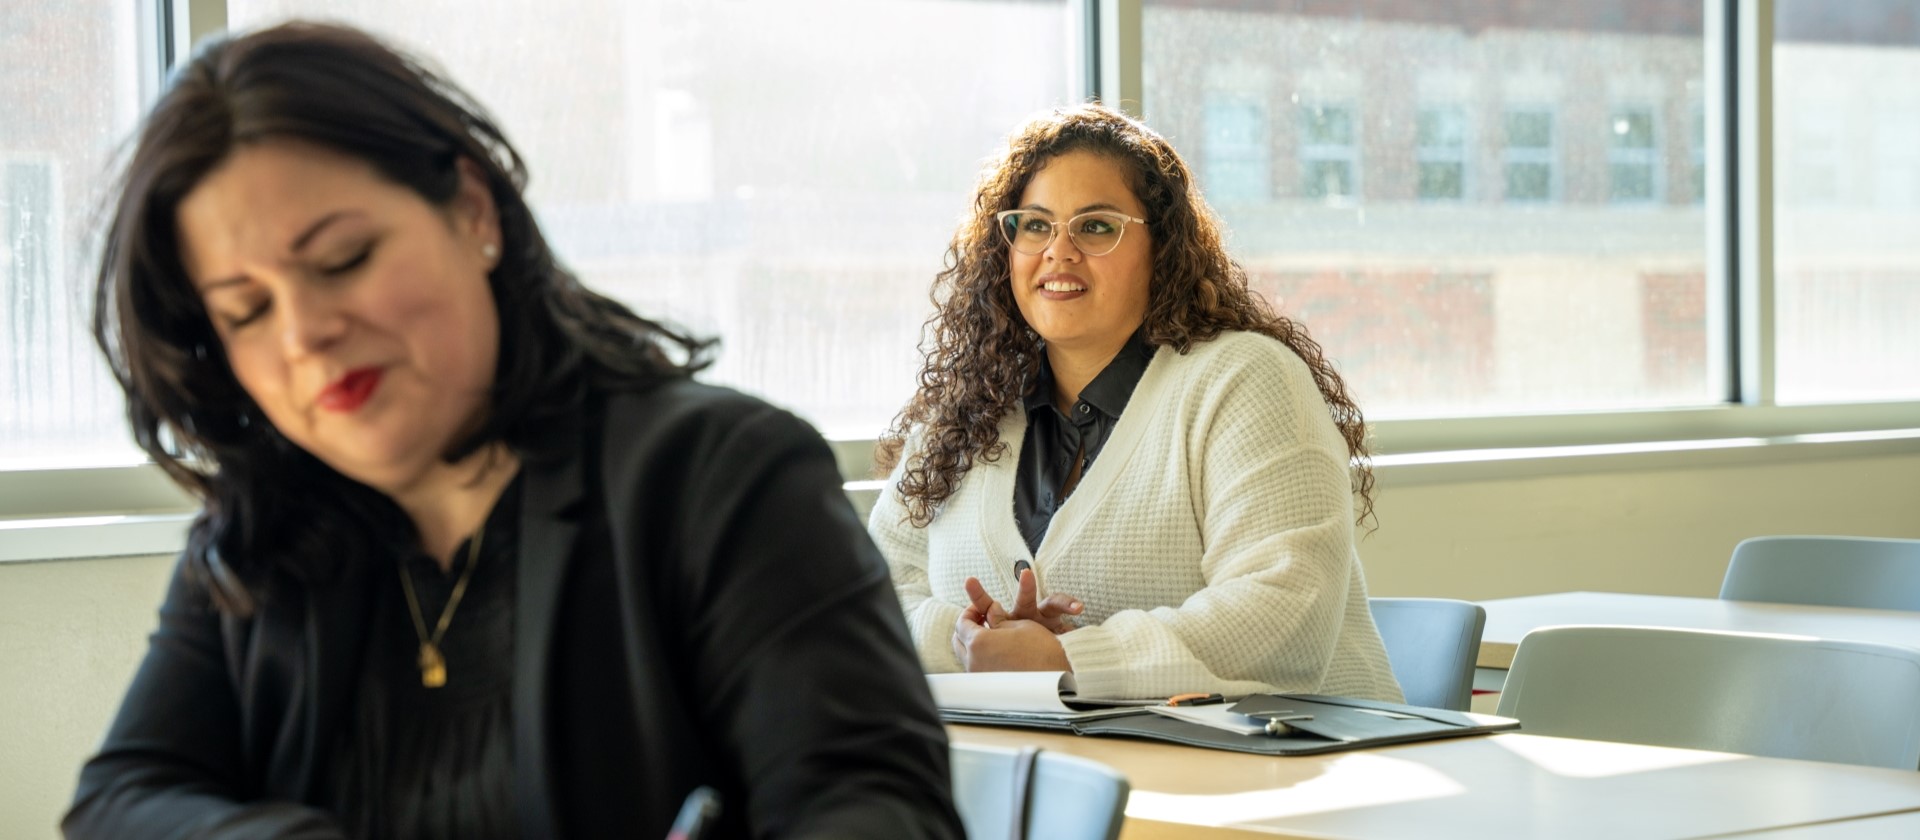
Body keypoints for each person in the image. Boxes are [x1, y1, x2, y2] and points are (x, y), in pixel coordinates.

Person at [68, 22, 961, 840]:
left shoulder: (721, 478)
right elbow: (122, 799)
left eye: (343, 260)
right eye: (247, 310)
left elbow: (872, 807)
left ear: (472, 211)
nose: (304, 334)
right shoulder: (261, 535)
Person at [870, 104, 1403, 704]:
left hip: (1296, 772)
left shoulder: (1246, 378)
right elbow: (869, 599)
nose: (1059, 251)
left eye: (1096, 226)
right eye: (1035, 225)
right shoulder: (969, 408)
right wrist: (976, 647)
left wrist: (1066, 659)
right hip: (1053, 773)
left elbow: (1282, 612)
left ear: (1164, 247)